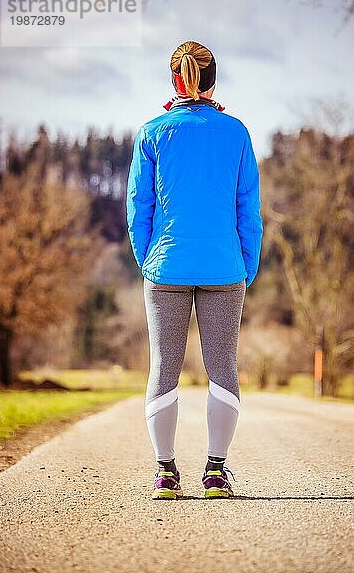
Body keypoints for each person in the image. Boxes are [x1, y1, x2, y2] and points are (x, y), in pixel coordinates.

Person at [126, 40, 263, 499]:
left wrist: (147, 258)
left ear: (175, 80)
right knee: (223, 367)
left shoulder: (152, 133)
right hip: (225, 267)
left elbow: (137, 207)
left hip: (165, 267)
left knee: (163, 367)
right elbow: (248, 208)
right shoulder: (236, 132)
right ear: (212, 80)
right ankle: (215, 473)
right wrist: (248, 263)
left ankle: (166, 473)